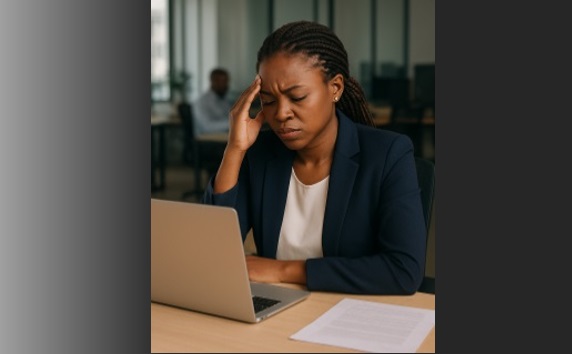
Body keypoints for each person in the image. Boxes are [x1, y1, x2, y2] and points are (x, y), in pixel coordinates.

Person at [202, 21, 426, 295]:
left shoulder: (388, 155)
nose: (281, 113)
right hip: (277, 310)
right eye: (269, 101)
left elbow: (403, 271)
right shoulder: (261, 153)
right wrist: (235, 150)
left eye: (297, 97)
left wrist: (284, 270)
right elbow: (212, 253)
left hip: (351, 313)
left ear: (335, 88)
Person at [192, 68, 232, 136]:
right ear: (213, 81)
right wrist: (234, 123)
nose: (226, 85)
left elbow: (228, 117)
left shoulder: (224, 100)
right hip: (207, 140)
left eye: (226, 81)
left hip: (223, 136)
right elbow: (207, 127)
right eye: (222, 82)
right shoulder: (202, 102)